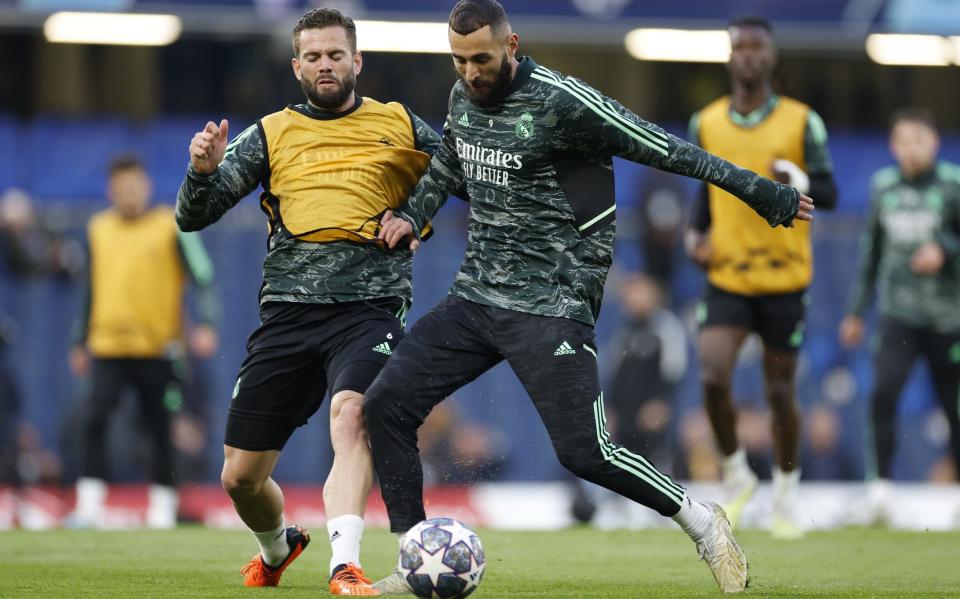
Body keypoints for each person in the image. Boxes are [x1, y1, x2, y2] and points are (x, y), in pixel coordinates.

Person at [366, 1, 814, 593]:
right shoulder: (461, 98)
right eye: (458, 60)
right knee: (384, 405)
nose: (470, 72)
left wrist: (759, 192)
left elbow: (662, 146)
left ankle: (702, 520)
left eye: (481, 58)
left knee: (584, 451)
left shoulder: (562, 101)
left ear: (512, 45)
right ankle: (414, 560)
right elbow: (450, 164)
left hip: (552, 304)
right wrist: (413, 216)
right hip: (475, 299)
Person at [176, 8, 447, 595]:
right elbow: (193, 216)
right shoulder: (272, 132)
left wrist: (413, 215)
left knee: (353, 414)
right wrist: (201, 172)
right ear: (297, 66)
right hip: (288, 315)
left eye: (336, 54)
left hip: (370, 308)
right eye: (314, 57)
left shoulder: (399, 123)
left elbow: (457, 169)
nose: (326, 65)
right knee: (240, 477)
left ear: (357, 61)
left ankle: (343, 564)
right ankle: (279, 547)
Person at [683, 15, 838, 539]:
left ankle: (787, 493)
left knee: (778, 391)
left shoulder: (801, 121)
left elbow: (832, 194)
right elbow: (704, 193)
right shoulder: (705, 122)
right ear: (729, 57)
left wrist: (800, 179)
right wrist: (693, 234)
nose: (747, 55)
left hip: (784, 277)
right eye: (739, 47)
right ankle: (735, 474)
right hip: (728, 273)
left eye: (757, 47)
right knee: (711, 375)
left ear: (771, 58)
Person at [68, 155, 220, 530]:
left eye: (135, 185)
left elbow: (202, 276)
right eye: (121, 187)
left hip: (159, 349)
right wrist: (79, 339)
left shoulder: (172, 224)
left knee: (159, 426)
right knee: (94, 418)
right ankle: (89, 506)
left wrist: (206, 323)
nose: (129, 193)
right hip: (108, 348)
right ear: (111, 190)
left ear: (147, 186)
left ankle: (162, 509)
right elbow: (89, 287)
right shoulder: (98, 229)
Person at [839, 107, 960, 525]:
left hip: (950, 318)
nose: (911, 149)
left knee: (954, 406)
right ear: (893, 146)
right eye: (903, 141)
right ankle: (881, 492)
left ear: (934, 142)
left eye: (918, 140)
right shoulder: (882, 188)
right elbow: (871, 252)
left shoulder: (953, 184)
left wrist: (946, 251)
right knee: (882, 394)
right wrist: (856, 311)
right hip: (898, 315)